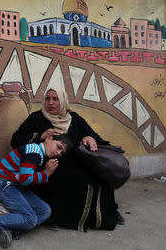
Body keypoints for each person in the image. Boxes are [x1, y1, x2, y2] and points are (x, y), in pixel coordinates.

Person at [10, 85, 124, 232]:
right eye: (47, 99)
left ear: (63, 101)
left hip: (75, 160)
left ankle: (105, 213)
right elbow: (15, 141)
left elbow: (96, 138)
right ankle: (60, 217)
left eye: (55, 99)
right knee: (76, 177)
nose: (50, 103)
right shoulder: (36, 118)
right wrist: (40, 135)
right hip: (47, 163)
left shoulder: (74, 119)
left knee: (101, 172)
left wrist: (88, 137)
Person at [0, 133, 72, 248]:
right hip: (3, 184)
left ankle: (10, 232)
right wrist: (46, 173)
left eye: (62, 153)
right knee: (30, 219)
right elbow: (25, 179)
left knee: (45, 211)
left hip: (15, 185)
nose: (58, 153)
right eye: (58, 147)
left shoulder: (37, 151)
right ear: (49, 139)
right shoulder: (34, 153)